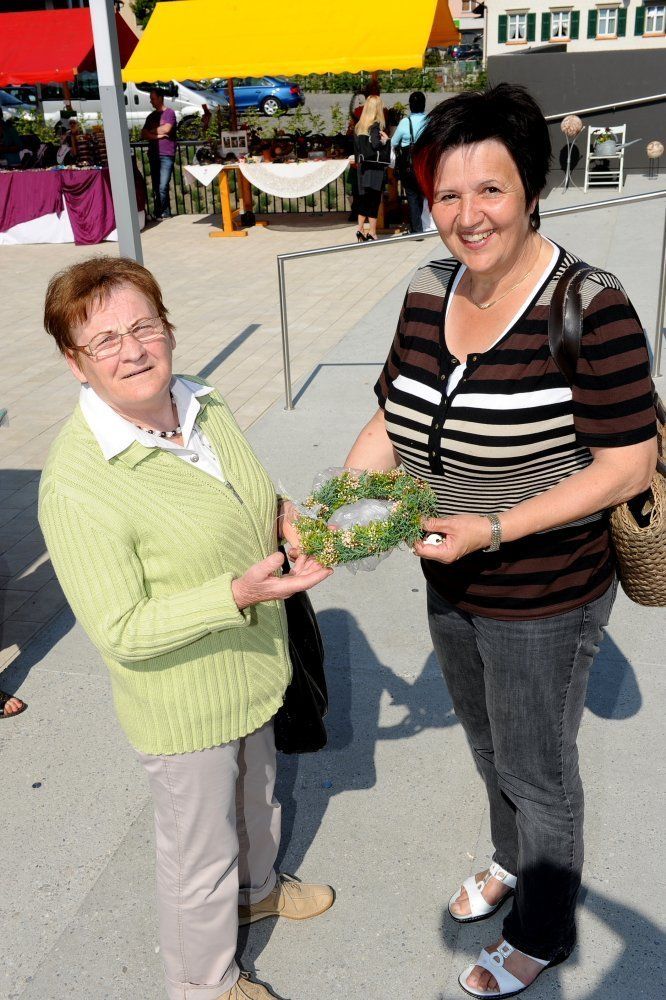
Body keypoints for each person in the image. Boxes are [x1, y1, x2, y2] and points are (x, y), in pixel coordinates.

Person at [341, 85, 657, 997]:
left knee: (538, 767)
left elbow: (627, 466)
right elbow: (391, 415)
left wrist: (493, 527)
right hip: (451, 577)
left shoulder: (590, 304)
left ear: (532, 191)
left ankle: (543, 931)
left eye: (490, 190)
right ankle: (513, 859)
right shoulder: (425, 287)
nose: (467, 215)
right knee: (488, 746)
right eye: (447, 193)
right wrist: (336, 517)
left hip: (545, 590)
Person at [38, 256, 335, 1000]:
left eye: (144, 327)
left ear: (168, 329)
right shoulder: (77, 482)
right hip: (183, 702)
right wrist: (235, 592)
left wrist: (286, 518)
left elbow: (252, 491)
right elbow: (120, 628)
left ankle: (259, 889)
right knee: (197, 856)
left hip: (256, 664)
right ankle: (204, 983)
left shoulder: (203, 400)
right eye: (104, 341)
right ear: (75, 362)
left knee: (260, 795)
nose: (133, 350)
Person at [353, 95, 390, 242]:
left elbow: (357, 149)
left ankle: (360, 229)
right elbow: (375, 144)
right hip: (374, 168)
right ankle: (372, 232)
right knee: (374, 201)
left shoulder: (359, 126)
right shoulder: (375, 126)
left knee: (363, 199)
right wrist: (385, 141)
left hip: (362, 167)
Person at [390, 91, 427, 233]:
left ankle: (417, 229)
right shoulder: (429, 120)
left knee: (412, 196)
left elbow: (394, 142)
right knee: (424, 194)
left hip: (408, 167)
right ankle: (425, 225)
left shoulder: (405, 122)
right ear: (423, 105)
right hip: (425, 164)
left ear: (410, 105)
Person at [141, 88, 177, 219]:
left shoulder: (170, 113)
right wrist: (157, 135)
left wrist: (152, 131)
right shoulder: (151, 116)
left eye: (153, 98)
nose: (151, 101)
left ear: (160, 98)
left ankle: (162, 211)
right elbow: (143, 133)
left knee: (163, 185)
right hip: (154, 154)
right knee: (157, 186)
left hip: (166, 154)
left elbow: (167, 128)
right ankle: (162, 212)